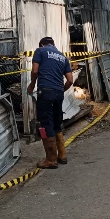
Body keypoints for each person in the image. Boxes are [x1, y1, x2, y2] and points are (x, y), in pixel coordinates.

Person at [28, 37, 74, 169]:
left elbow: (35, 70)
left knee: (46, 123)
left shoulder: (40, 51)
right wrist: (61, 90)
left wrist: (32, 85)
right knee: (56, 123)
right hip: (58, 93)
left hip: (45, 92)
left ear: (42, 44)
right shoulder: (62, 57)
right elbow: (70, 80)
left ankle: (51, 160)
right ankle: (62, 156)